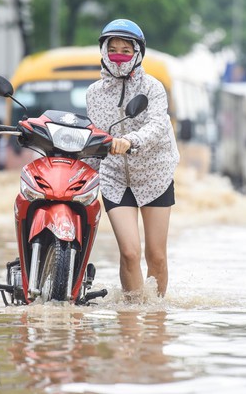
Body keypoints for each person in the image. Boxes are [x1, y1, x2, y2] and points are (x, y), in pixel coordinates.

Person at [85, 18, 180, 299]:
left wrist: (130, 141)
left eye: (125, 50)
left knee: (156, 256)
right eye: (112, 49)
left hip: (155, 174)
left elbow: (158, 125)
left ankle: (154, 321)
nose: (118, 56)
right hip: (114, 177)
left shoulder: (153, 87)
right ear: (103, 51)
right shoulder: (93, 93)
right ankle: (131, 321)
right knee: (129, 252)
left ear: (138, 53)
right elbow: (95, 135)